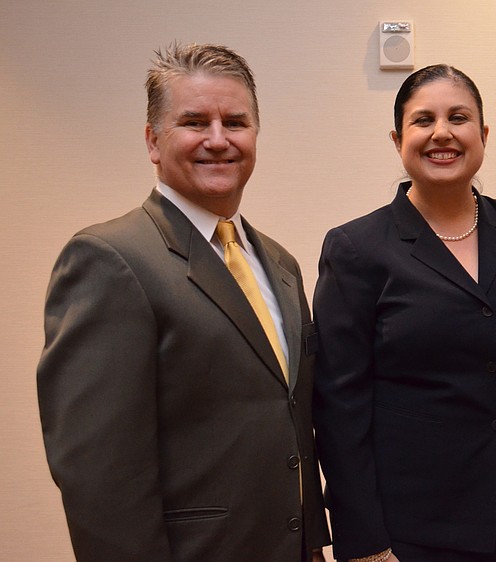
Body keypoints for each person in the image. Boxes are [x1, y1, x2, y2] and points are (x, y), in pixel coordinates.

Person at [37, 43, 330, 562]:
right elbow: (99, 477)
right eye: (194, 122)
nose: (218, 140)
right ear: (153, 141)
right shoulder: (110, 259)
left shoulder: (281, 265)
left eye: (235, 122)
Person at [312, 64, 496, 562]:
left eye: (459, 117)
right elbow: (339, 409)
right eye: (423, 120)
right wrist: (364, 541)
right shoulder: (357, 248)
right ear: (397, 138)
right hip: (409, 532)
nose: (442, 133)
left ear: (483, 134)